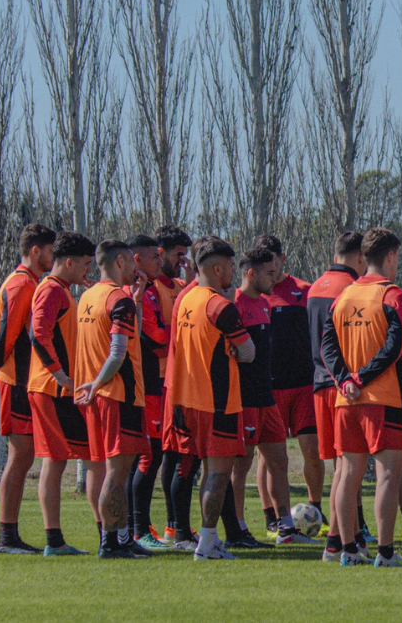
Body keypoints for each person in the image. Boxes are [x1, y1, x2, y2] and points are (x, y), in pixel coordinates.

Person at [320, 227, 402, 567]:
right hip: (383, 399)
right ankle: (386, 553)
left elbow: (327, 347)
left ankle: (347, 550)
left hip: (346, 401)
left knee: (347, 474)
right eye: (398, 257)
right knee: (388, 475)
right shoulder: (395, 296)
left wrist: (345, 380)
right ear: (390, 257)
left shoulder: (343, 297)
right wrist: (360, 378)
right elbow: (393, 349)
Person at [165, 236, 256, 560]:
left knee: (198, 471)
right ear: (217, 268)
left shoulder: (186, 300)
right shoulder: (221, 306)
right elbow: (248, 351)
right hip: (218, 403)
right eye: (231, 266)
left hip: (186, 400)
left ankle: (209, 538)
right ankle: (205, 544)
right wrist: (234, 350)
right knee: (218, 474)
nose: (234, 271)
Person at [0, 224, 56, 555]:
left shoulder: (31, 282)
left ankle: (9, 535)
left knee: (23, 456)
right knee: (20, 456)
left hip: (23, 380)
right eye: (50, 250)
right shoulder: (22, 284)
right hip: (16, 381)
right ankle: (6, 537)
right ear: (35, 251)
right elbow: (6, 334)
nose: (53, 257)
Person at [73, 240, 152, 559]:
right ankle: (110, 542)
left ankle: (119, 537)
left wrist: (138, 303)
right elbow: (118, 353)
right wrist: (99, 382)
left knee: (108, 471)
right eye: (132, 262)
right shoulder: (118, 300)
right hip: (117, 395)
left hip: (94, 397)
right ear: (119, 261)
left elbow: (129, 340)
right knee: (117, 473)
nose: (136, 268)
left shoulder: (88, 297)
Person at [27, 231, 100, 556]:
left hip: (55, 389)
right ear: (68, 262)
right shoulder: (51, 290)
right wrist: (60, 375)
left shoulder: (60, 290)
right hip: (52, 389)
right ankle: (106, 535)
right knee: (87, 459)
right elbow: (37, 333)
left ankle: (63, 540)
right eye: (85, 265)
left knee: (62, 462)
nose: (89, 271)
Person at [254, 236, 325, 537]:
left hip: (304, 384)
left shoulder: (305, 290)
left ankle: (316, 510)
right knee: (268, 456)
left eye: (274, 262)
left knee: (312, 450)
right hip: (269, 387)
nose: (271, 270)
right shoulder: (256, 297)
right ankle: (272, 517)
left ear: (282, 258)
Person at [230, 247, 302, 548]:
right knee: (240, 466)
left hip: (266, 397)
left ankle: (286, 527)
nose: (276, 279)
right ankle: (238, 528)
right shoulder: (233, 305)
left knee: (279, 460)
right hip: (243, 400)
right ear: (251, 273)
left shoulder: (264, 305)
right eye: (270, 274)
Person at [308, 232, 369, 561]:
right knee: (348, 470)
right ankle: (336, 540)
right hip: (343, 384)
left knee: (342, 469)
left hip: (320, 382)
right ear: (360, 258)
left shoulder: (315, 286)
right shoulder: (352, 289)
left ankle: (351, 536)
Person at [122, 235, 172, 551]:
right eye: (154, 256)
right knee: (145, 457)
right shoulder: (132, 294)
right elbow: (153, 336)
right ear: (137, 260)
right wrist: (179, 333)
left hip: (150, 385)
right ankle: (137, 530)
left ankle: (138, 528)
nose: (159, 261)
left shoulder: (148, 292)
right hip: (142, 388)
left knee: (147, 456)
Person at [152, 224, 192, 546]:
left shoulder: (182, 286)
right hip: (161, 380)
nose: (183, 260)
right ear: (160, 252)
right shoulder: (151, 288)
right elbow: (161, 334)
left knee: (176, 453)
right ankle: (167, 524)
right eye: (178, 254)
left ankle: (173, 525)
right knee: (166, 454)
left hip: (179, 378)